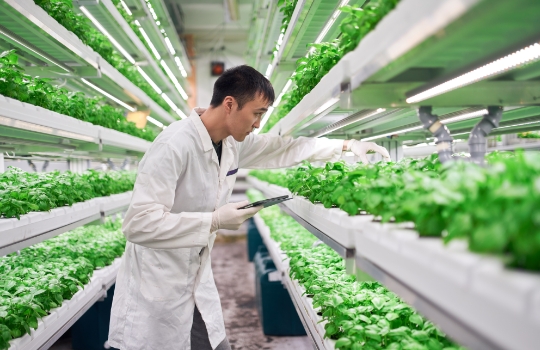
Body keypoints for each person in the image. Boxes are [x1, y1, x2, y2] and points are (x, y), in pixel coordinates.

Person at [108, 65, 390, 350]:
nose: (257, 124)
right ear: (230, 104)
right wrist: (214, 221)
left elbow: (283, 148)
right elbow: (138, 224)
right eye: (257, 113)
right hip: (158, 283)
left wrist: (345, 146)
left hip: (195, 277)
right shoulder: (174, 145)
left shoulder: (230, 143)